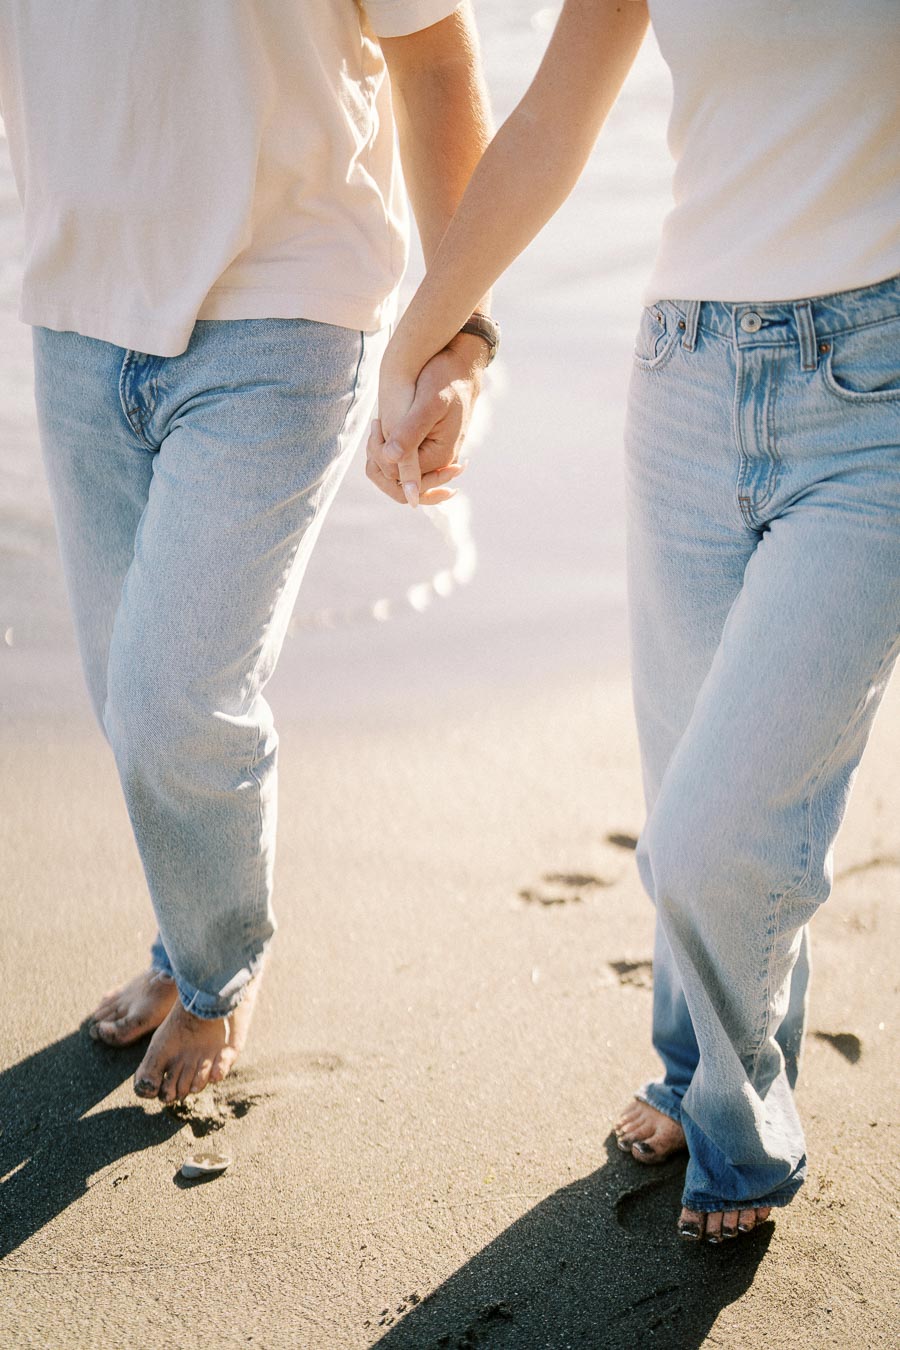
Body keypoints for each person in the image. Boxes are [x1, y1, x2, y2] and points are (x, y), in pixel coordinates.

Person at [369, 0, 900, 1242]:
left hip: (875, 401)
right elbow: (554, 120)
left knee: (720, 839)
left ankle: (742, 1127)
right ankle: (691, 1064)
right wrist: (430, 334)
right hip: (684, 377)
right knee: (686, 786)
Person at [0, 0, 495, 1104]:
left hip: (290, 302)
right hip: (76, 309)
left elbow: (436, 62)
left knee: (174, 695)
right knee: (130, 704)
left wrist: (460, 330)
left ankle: (220, 973)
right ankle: (184, 943)